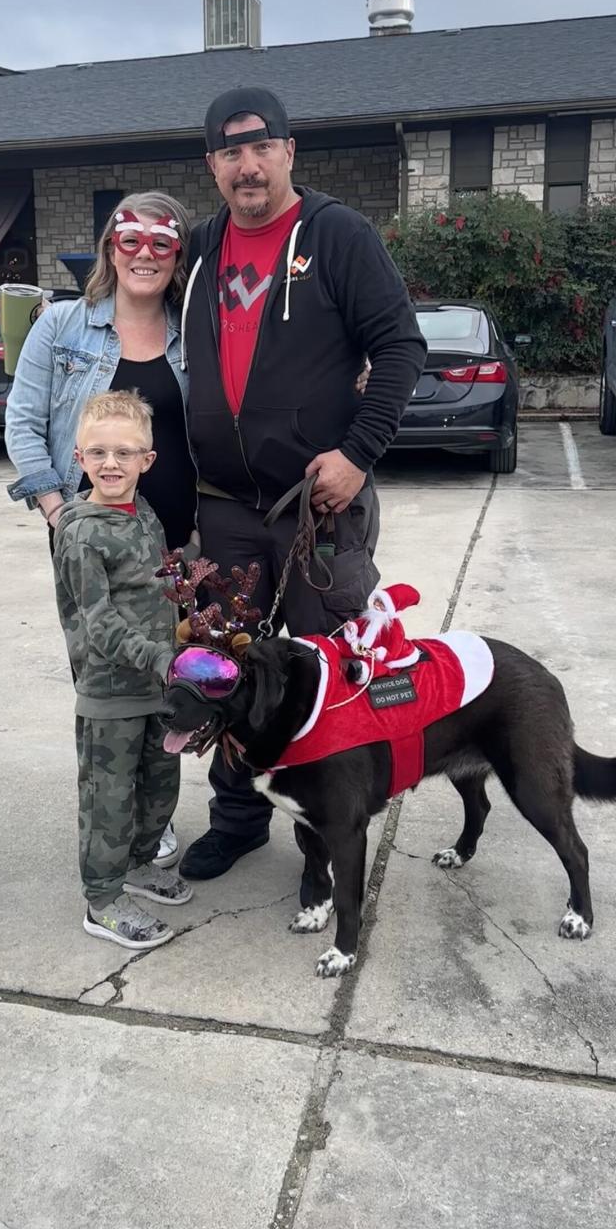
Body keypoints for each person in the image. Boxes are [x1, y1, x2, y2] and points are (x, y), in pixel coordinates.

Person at [178, 86, 428, 887]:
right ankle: (239, 821)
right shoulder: (201, 248)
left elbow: (401, 347)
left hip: (320, 508)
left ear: (289, 151)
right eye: (230, 152)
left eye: (261, 147)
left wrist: (358, 453)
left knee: (336, 673)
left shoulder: (338, 235)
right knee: (224, 669)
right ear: (212, 164)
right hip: (225, 508)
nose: (247, 166)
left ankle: (331, 836)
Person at [5, 191, 195, 867]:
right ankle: (111, 829)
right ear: (110, 248)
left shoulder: (192, 332)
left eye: (161, 242)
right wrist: (61, 513)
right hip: (91, 541)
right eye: (130, 239)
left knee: (167, 685)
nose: (145, 254)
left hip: (175, 543)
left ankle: (150, 820)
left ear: (178, 255)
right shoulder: (62, 326)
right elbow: (22, 421)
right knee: (109, 688)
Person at [52, 390, 192, 948]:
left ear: (146, 460)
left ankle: (138, 863)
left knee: (159, 787)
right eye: (98, 453)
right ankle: (103, 899)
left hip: (159, 687)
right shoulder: (80, 532)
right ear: (79, 458)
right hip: (111, 692)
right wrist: (161, 657)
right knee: (108, 801)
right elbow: (99, 623)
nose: (111, 464)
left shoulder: (145, 512)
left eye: (124, 453)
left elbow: (158, 579)